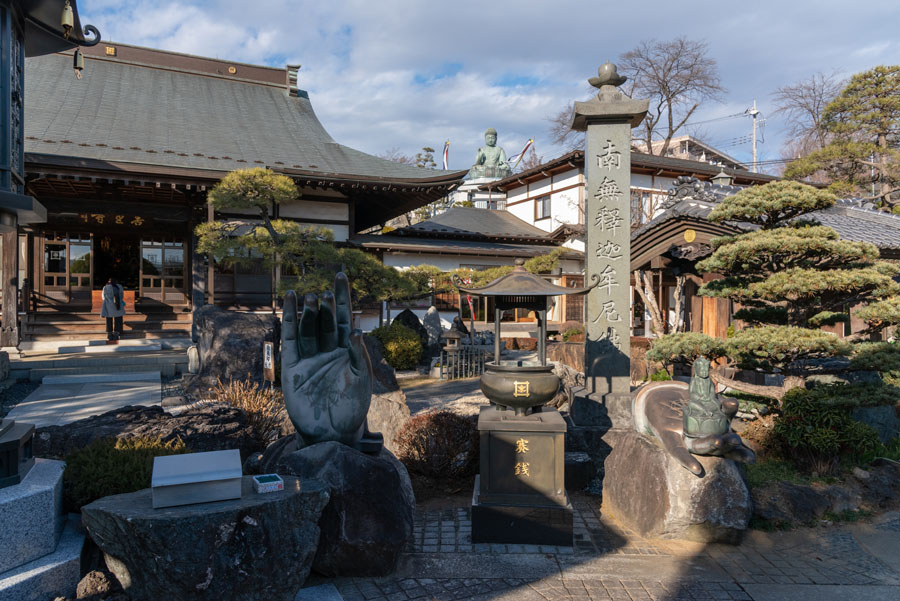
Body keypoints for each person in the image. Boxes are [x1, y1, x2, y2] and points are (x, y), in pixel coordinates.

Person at [101, 278, 125, 343]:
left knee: (109, 319)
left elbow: (103, 297)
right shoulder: (119, 286)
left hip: (108, 305)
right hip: (118, 304)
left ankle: (109, 334)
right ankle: (116, 334)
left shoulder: (105, 287)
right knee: (118, 319)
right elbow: (122, 296)